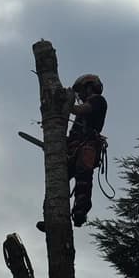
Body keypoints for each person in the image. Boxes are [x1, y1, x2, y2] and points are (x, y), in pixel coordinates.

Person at [37, 73, 107, 231]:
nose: (80, 95)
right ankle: (52, 217)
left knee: (83, 178)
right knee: (57, 181)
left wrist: (67, 104)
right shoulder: (81, 114)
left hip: (87, 147)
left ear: (90, 87)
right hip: (74, 149)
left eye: (81, 91)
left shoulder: (98, 101)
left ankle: (80, 212)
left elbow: (80, 109)